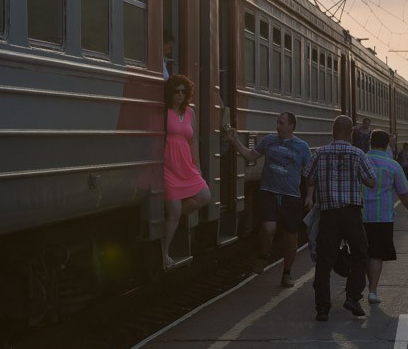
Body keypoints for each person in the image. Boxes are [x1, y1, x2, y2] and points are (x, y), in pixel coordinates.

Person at [226, 112, 312, 288]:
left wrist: (310, 195)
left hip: (291, 196)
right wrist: (235, 140)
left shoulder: (302, 147)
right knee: (268, 227)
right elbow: (250, 155)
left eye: (281, 123)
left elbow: (310, 174)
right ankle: (263, 256)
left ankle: (287, 273)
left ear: (291, 126)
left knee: (290, 237)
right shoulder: (269, 141)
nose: (277, 126)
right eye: (277, 122)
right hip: (269, 192)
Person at [305, 115, 377, 321]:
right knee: (360, 253)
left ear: (332, 130)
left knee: (324, 261)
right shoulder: (357, 154)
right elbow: (371, 181)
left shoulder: (320, 153)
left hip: (329, 215)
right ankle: (352, 297)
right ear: (351, 132)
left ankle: (322, 308)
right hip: (351, 213)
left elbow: (309, 178)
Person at [363, 130, 408, 304]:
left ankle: (365, 286)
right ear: (387, 144)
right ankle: (372, 291)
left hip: (360, 215)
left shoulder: (360, 160)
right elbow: (402, 193)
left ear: (370, 142)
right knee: (376, 254)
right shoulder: (392, 165)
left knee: (364, 252)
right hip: (382, 217)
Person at [162, 75, 210, 270]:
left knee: (204, 195)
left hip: (186, 166)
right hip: (168, 166)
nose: (180, 95)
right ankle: (164, 252)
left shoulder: (190, 113)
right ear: (170, 93)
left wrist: (197, 166)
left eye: (183, 91)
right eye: (176, 91)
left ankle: (170, 221)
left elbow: (193, 141)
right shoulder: (164, 112)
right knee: (173, 210)